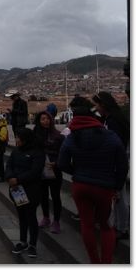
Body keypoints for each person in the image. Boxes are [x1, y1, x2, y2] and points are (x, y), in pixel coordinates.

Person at [58, 96, 128, 264]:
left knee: (87, 225)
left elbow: (62, 163)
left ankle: (94, 262)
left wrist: (77, 172)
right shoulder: (110, 136)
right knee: (105, 226)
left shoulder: (72, 138)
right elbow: (123, 165)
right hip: (104, 187)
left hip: (81, 186)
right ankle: (106, 262)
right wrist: (117, 187)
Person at [92, 91, 130, 240]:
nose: (96, 108)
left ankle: (123, 228)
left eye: (97, 105)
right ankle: (119, 225)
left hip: (116, 162)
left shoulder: (113, 121)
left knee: (120, 197)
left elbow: (116, 143)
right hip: (114, 161)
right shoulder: (110, 118)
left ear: (103, 104)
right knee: (118, 196)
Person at [5, 128, 45, 258]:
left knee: (31, 216)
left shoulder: (37, 152)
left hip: (31, 189)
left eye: (18, 137)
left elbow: (35, 171)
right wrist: (10, 177)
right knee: (22, 215)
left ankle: (32, 244)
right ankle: (23, 241)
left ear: (25, 139)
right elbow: (9, 165)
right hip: (17, 190)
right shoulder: (16, 151)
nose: (16, 140)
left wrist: (18, 179)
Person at [33, 111, 65, 234]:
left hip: (54, 170)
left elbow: (63, 154)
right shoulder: (35, 136)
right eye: (42, 119)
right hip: (41, 170)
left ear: (51, 120)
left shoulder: (58, 136)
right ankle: (46, 217)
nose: (45, 121)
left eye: (47, 118)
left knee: (56, 196)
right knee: (43, 195)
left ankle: (56, 221)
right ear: (39, 121)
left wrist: (56, 163)